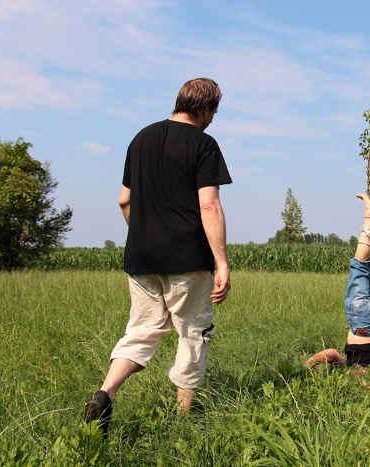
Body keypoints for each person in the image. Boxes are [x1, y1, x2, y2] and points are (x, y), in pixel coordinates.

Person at [84, 77, 232, 435]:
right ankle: (183, 419)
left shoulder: (141, 139)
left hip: (141, 257)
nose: (213, 119)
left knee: (141, 330)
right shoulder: (204, 144)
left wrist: (143, 233)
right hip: (187, 258)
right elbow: (209, 205)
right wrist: (222, 262)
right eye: (213, 111)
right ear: (204, 108)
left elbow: (124, 200)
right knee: (193, 331)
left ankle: (105, 393)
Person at [306, 193, 370, 368]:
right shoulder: (349, 366)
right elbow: (331, 353)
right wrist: (308, 364)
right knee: (360, 266)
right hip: (362, 323)